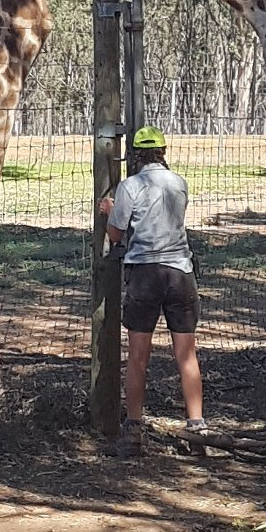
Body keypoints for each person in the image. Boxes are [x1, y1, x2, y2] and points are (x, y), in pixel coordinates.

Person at [99, 126, 206, 457]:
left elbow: (116, 234)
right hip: (181, 273)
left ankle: (134, 430)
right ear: (163, 151)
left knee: (138, 357)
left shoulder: (130, 187)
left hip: (146, 273)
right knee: (186, 355)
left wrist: (108, 211)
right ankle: (198, 428)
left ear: (134, 155)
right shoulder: (179, 183)